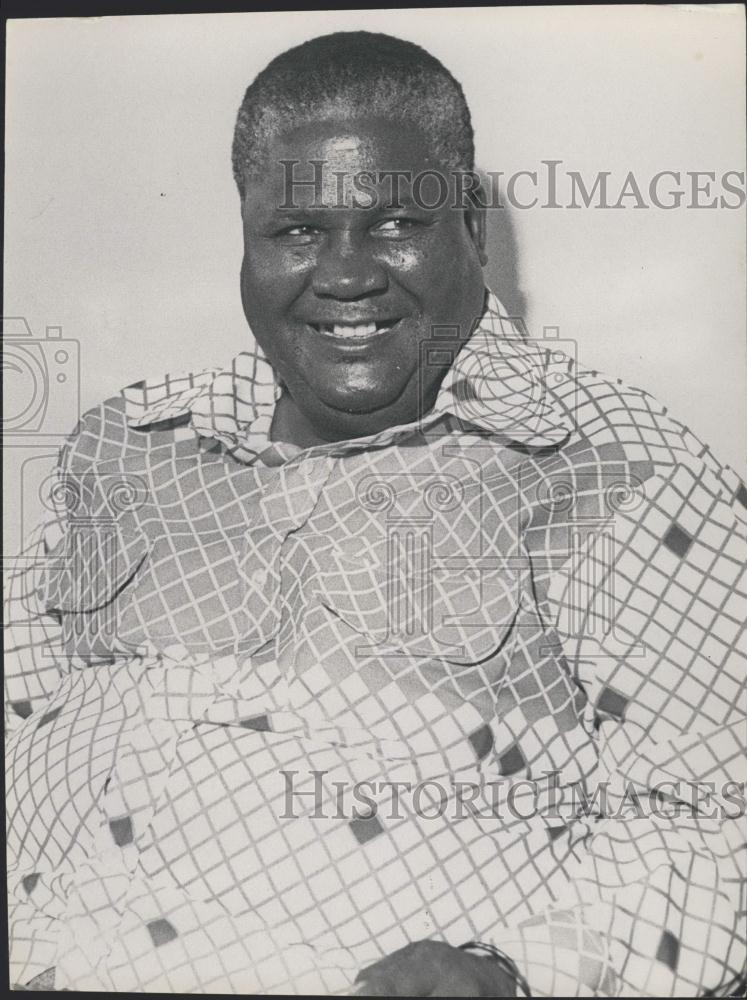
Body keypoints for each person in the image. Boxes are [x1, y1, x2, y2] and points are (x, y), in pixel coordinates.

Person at [5, 31, 745, 997]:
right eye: (297, 232)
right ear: (246, 236)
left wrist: (509, 975)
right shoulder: (131, 440)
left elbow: (719, 822)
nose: (346, 275)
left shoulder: (613, 469)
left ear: (469, 228)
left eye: (394, 222)